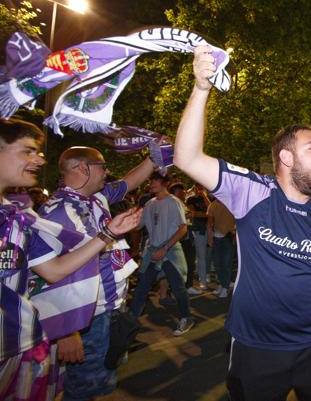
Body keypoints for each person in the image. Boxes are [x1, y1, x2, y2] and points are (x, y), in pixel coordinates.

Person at [173, 46, 311, 400]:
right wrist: (201, 88)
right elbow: (187, 157)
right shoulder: (251, 192)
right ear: (286, 157)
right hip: (255, 348)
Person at [0, 119, 141, 401]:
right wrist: (68, 332)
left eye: (38, 152)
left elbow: (53, 270)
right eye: (28, 150)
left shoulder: (19, 216)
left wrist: (108, 233)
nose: (39, 159)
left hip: (21, 344)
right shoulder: (57, 209)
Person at [39, 145, 155, 400]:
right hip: (86, 317)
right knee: (82, 388)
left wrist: (154, 157)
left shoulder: (97, 197)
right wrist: (68, 331)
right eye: (103, 166)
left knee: (101, 380)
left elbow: (130, 182)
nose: (108, 172)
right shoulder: (57, 212)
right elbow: (45, 276)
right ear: (83, 168)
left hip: (108, 308)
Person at [130, 172, 193, 335]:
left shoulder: (174, 202)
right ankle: (128, 326)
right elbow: (139, 227)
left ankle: (187, 318)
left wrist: (165, 249)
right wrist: (127, 222)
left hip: (170, 251)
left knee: (178, 288)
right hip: (152, 251)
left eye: (155, 181)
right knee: (141, 289)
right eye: (150, 180)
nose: (151, 184)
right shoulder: (149, 204)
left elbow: (183, 228)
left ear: (165, 183)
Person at [207, 195, 236, 297]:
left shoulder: (231, 203)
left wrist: (235, 235)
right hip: (217, 237)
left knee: (226, 264)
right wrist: (210, 237)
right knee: (218, 263)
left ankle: (225, 287)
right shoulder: (212, 205)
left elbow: (238, 219)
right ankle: (222, 284)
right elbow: (209, 223)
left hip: (228, 236)